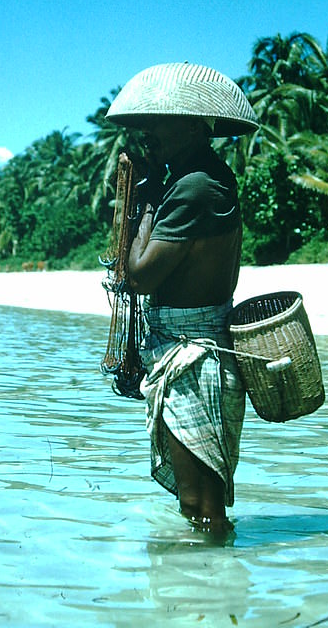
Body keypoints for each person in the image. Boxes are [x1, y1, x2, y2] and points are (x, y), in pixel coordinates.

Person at [106, 62, 258, 533]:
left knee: (203, 506)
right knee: (196, 506)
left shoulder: (193, 187)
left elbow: (141, 275)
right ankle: (202, 594)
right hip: (191, 350)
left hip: (194, 356)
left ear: (195, 126)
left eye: (159, 121)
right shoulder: (200, 177)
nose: (148, 133)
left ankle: (208, 593)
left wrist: (145, 199)